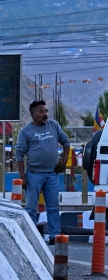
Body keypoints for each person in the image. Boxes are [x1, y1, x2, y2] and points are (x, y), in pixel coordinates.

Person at [15, 100, 70, 242]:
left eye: (46, 111)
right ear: (32, 113)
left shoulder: (54, 125)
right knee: (31, 208)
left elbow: (66, 142)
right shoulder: (25, 132)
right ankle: (32, 238)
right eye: (41, 111)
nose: (45, 114)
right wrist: (22, 177)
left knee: (53, 207)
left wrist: (64, 161)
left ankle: (54, 237)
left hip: (52, 174)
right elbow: (19, 155)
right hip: (33, 175)